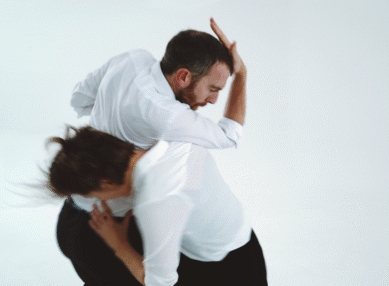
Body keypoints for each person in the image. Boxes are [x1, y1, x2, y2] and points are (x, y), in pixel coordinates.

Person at [56, 18, 249, 285]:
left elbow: (79, 98)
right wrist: (242, 75)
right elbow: (229, 135)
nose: (213, 99)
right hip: (108, 227)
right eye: (212, 89)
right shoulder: (168, 117)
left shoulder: (133, 59)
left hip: (71, 214)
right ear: (182, 76)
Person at [48, 126, 267, 285]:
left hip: (228, 271)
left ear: (107, 182)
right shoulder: (168, 134)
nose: (97, 201)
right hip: (241, 236)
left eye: (94, 195)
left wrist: (118, 243)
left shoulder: (156, 201)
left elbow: (157, 283)